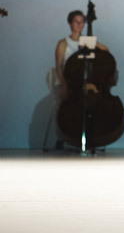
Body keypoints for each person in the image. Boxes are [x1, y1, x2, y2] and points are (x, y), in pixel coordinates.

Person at [52, 10, 109, 149]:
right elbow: (59, 67)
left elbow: (106, 50)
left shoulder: (86, 42)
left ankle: (92, 137)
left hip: (83, 81)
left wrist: (93, 43)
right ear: (70, 23)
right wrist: (65, 85)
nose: (79, 24)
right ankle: (64, 136)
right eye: (76, 22)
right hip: (69, 82)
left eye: (82, 22)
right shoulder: (63, 43)